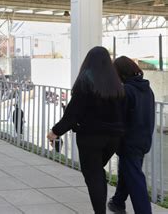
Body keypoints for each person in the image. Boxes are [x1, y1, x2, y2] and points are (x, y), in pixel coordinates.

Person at [47, 46, 125, 214]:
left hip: (91, 137)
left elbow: (73, 112)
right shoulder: (116, 82)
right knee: (97, 172)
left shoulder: (85, 80)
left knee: (93, 174)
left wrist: (55, 131)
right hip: (113, 137)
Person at [108, 56, 155, 214]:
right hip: (144, 140)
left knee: (135, 180)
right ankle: (118, 202)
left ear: (120, 73)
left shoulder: (127, 91)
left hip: (129, 141)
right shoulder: (147, 89)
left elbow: (119, 116)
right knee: (126, 171)